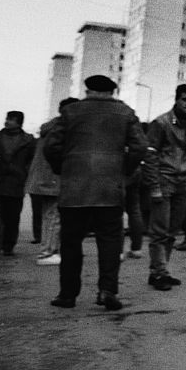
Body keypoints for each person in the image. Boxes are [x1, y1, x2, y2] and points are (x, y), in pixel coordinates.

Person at [42, 75, 149, 310]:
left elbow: (51, 146)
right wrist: (125, 169)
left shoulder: (70, 111)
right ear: (112, 91)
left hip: (74, 188)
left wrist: (63, 167)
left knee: (71, 241)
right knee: (110, 240)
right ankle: (107, 290)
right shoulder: (125, 112)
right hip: (109, 188)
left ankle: (67, 295)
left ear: (88, 90)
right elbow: (140, 146)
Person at [143, 83, 186, 291]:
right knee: (159, 229)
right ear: (177, 99)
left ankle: (162, 270)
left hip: (184, 181)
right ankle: (158, 272)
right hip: (164, 179)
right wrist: (154, 186)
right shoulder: (161, 123)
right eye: (185, 99)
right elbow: (150, 155)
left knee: (172, 229)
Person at [25, 98, 77, 265]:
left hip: (43, 177)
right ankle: (47, 252)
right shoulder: (62, 128)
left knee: (50, 215)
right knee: (54, 217)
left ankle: (51, 250)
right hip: (53, 177)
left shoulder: (51, 126)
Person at [0, 111, 36, 261]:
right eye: (7, 118)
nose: (7, 121)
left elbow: (32, 161)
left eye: (11, 120)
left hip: (15, 184)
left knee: (12, 218)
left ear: (19, 122)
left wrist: (25, 174)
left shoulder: (29, 140)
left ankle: (8, 246)